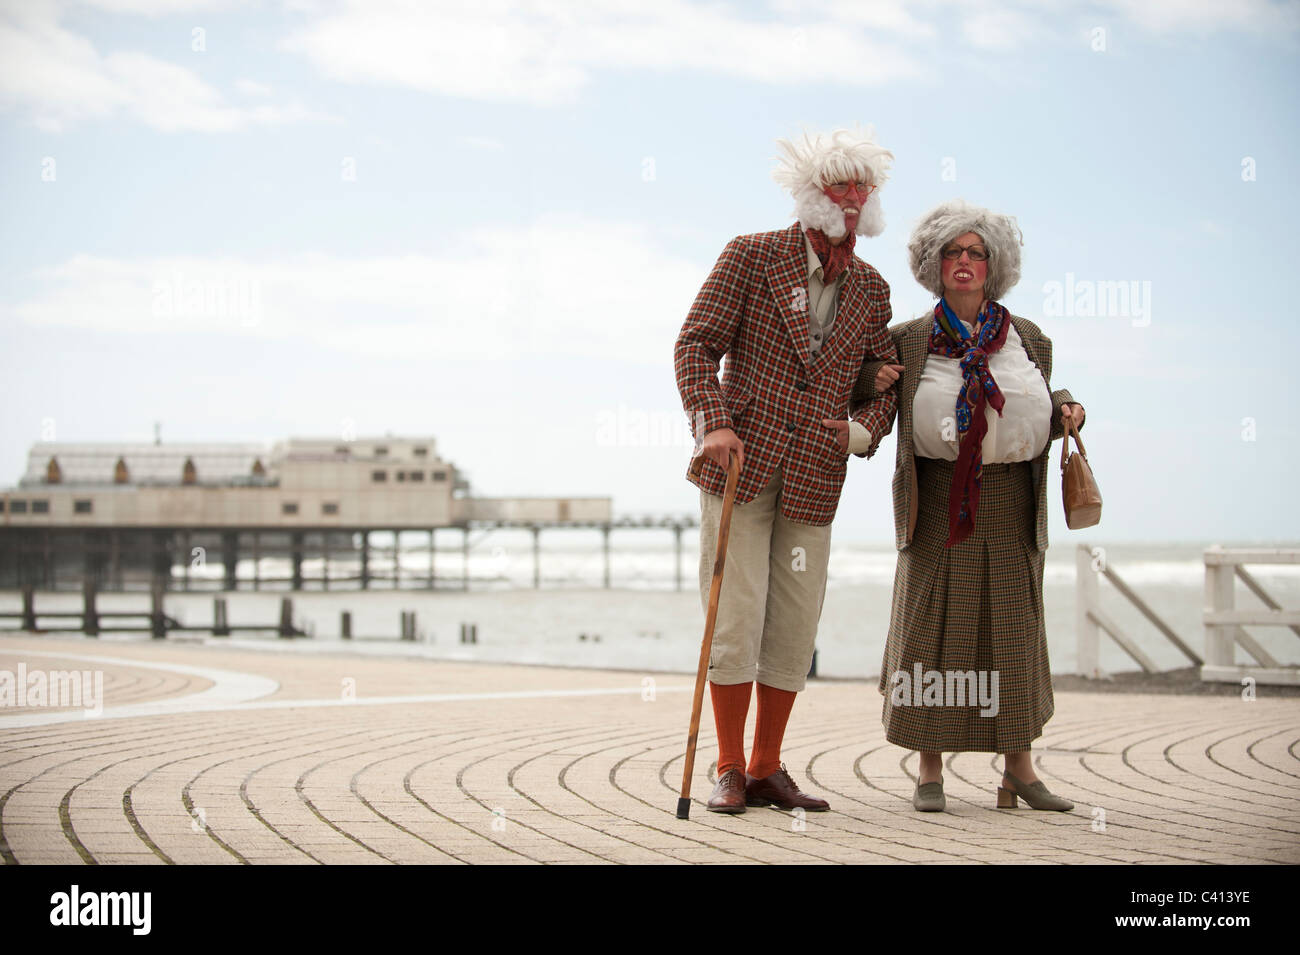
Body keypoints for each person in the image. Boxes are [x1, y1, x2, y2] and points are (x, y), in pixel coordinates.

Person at [674, 127, 900, 814]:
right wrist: (711, 421)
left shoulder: (871, 286)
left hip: (815, 474)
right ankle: (728, 765)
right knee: (734, 618)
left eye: (864, 190)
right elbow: (695, 343)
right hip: (741, 465)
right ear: (813, 196)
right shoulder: (751, 256)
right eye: (843, 188)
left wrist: (863, 427)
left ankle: (769, 767)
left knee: (794, 624)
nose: (854, 201)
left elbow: (886, 382)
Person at [854, 199, 1085, 813]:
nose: (964, 261)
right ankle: (929, 769)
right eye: (952, 252)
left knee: (1011, 631)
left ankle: (1019, 770)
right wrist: (865, 387)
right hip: (936, 498)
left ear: (994, 264)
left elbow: (1031, 399)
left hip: (1011, 499)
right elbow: (865, 389)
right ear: (934, 263)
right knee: (930, 628)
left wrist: (1066, 406)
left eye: (976, 252)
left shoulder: (1029, 337)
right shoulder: (907, 340)